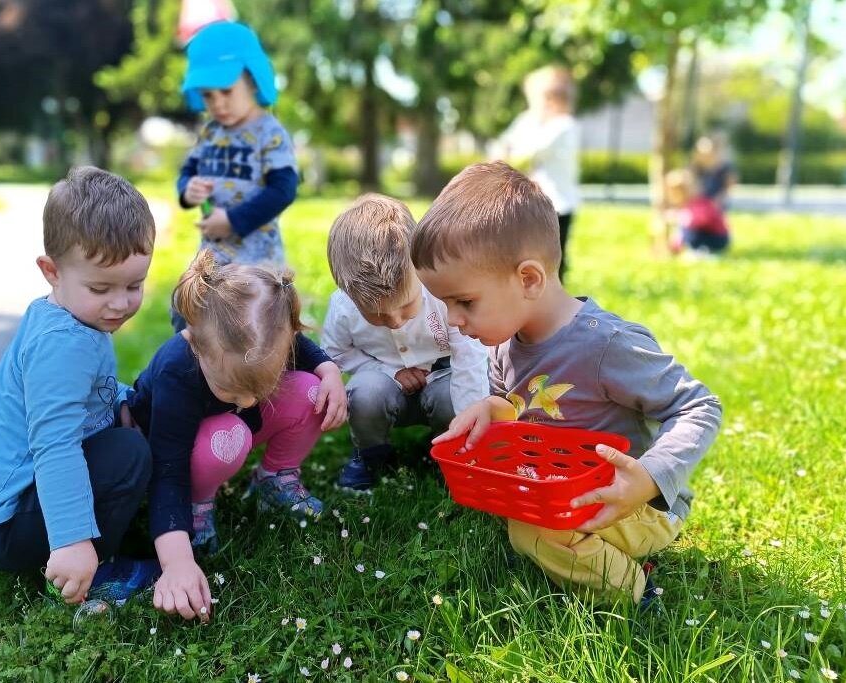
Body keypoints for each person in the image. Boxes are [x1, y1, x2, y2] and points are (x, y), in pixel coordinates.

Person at [411, 161, 722, 606]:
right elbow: (513, 403)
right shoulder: (504, 342)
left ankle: (635, 590)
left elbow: (699, 407)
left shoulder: (605, 345)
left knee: (530, 529)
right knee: (519, 510)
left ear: (529, 279)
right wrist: (491, 409)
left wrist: (648, 479)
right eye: (445, 303)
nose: (453, 320)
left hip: (636, 505)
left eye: (464, 302)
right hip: (563, 484)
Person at [0, 167, 159, 606]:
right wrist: (73, 538)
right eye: (101, 287)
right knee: (128, 454)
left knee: (133, 411)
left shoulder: (72, 314)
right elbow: (55, 445)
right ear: (51, 270)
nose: (120, 303)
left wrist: (118, 399)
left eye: (134, 285)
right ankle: (95, 568)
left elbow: (90, 387)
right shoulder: (63, 346)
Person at [127, 250, 347, 621]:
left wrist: (331, 374)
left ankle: (274, 479)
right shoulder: (176, 371)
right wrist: (177, 561)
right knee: (227, 435)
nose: (247, 400)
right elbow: (168, 470)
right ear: (198, 346)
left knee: (312, 390)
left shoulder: (264, 336)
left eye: (259, 386)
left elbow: (302, 349)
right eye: (231, 390)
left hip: (232, 430)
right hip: (185, 446)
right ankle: (198, 507)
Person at [321, 194, 489, 492]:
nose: (396, 321)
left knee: (453, 398)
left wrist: (470, 425)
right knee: (364, 395)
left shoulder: (442, 292)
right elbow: (335, 353)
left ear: (418, 268)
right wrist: (389, 371)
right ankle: (371, 453)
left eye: (406, 306)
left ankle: (450, 448)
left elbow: (470, 357)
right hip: (384, 383)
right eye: (377, 315)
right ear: (346, 291)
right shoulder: (344, 307)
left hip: (442, 377)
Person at [171, 21, 299, 332]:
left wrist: (231, 220)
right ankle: (196, 377)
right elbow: (187, 171)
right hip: (212, 257)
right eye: (208, 95)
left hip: (257, 261)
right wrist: (189, 190)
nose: (218, 104)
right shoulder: (211, 132)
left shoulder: (269, 133)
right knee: (184, 312)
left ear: (253, 81)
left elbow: (283, 189)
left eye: (226, 91)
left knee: (251, 328)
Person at [494, 65, 580, 282]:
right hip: (533, 203)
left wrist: (512, 148)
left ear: (551, 99)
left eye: (536, 100)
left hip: (558, 204)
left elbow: (527, 150)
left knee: (553, 256)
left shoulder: (564, 126)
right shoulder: (529, 121)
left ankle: (555, 297)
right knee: (528, 252)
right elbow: (503, 144)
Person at [665, 168, 731, 256]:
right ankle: (686, 249)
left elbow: (701, 220)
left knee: (689, 232)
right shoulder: (685, 206)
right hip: (705, 235)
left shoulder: (700, 203)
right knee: (685, 230)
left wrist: (678, 217)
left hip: (717, 237)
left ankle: (701, 251)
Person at [690, 134, 737, 210]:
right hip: (700, 204)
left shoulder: (724, 167)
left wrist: (716, 202)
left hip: (718, 203)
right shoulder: (695, 168)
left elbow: (729, 188)